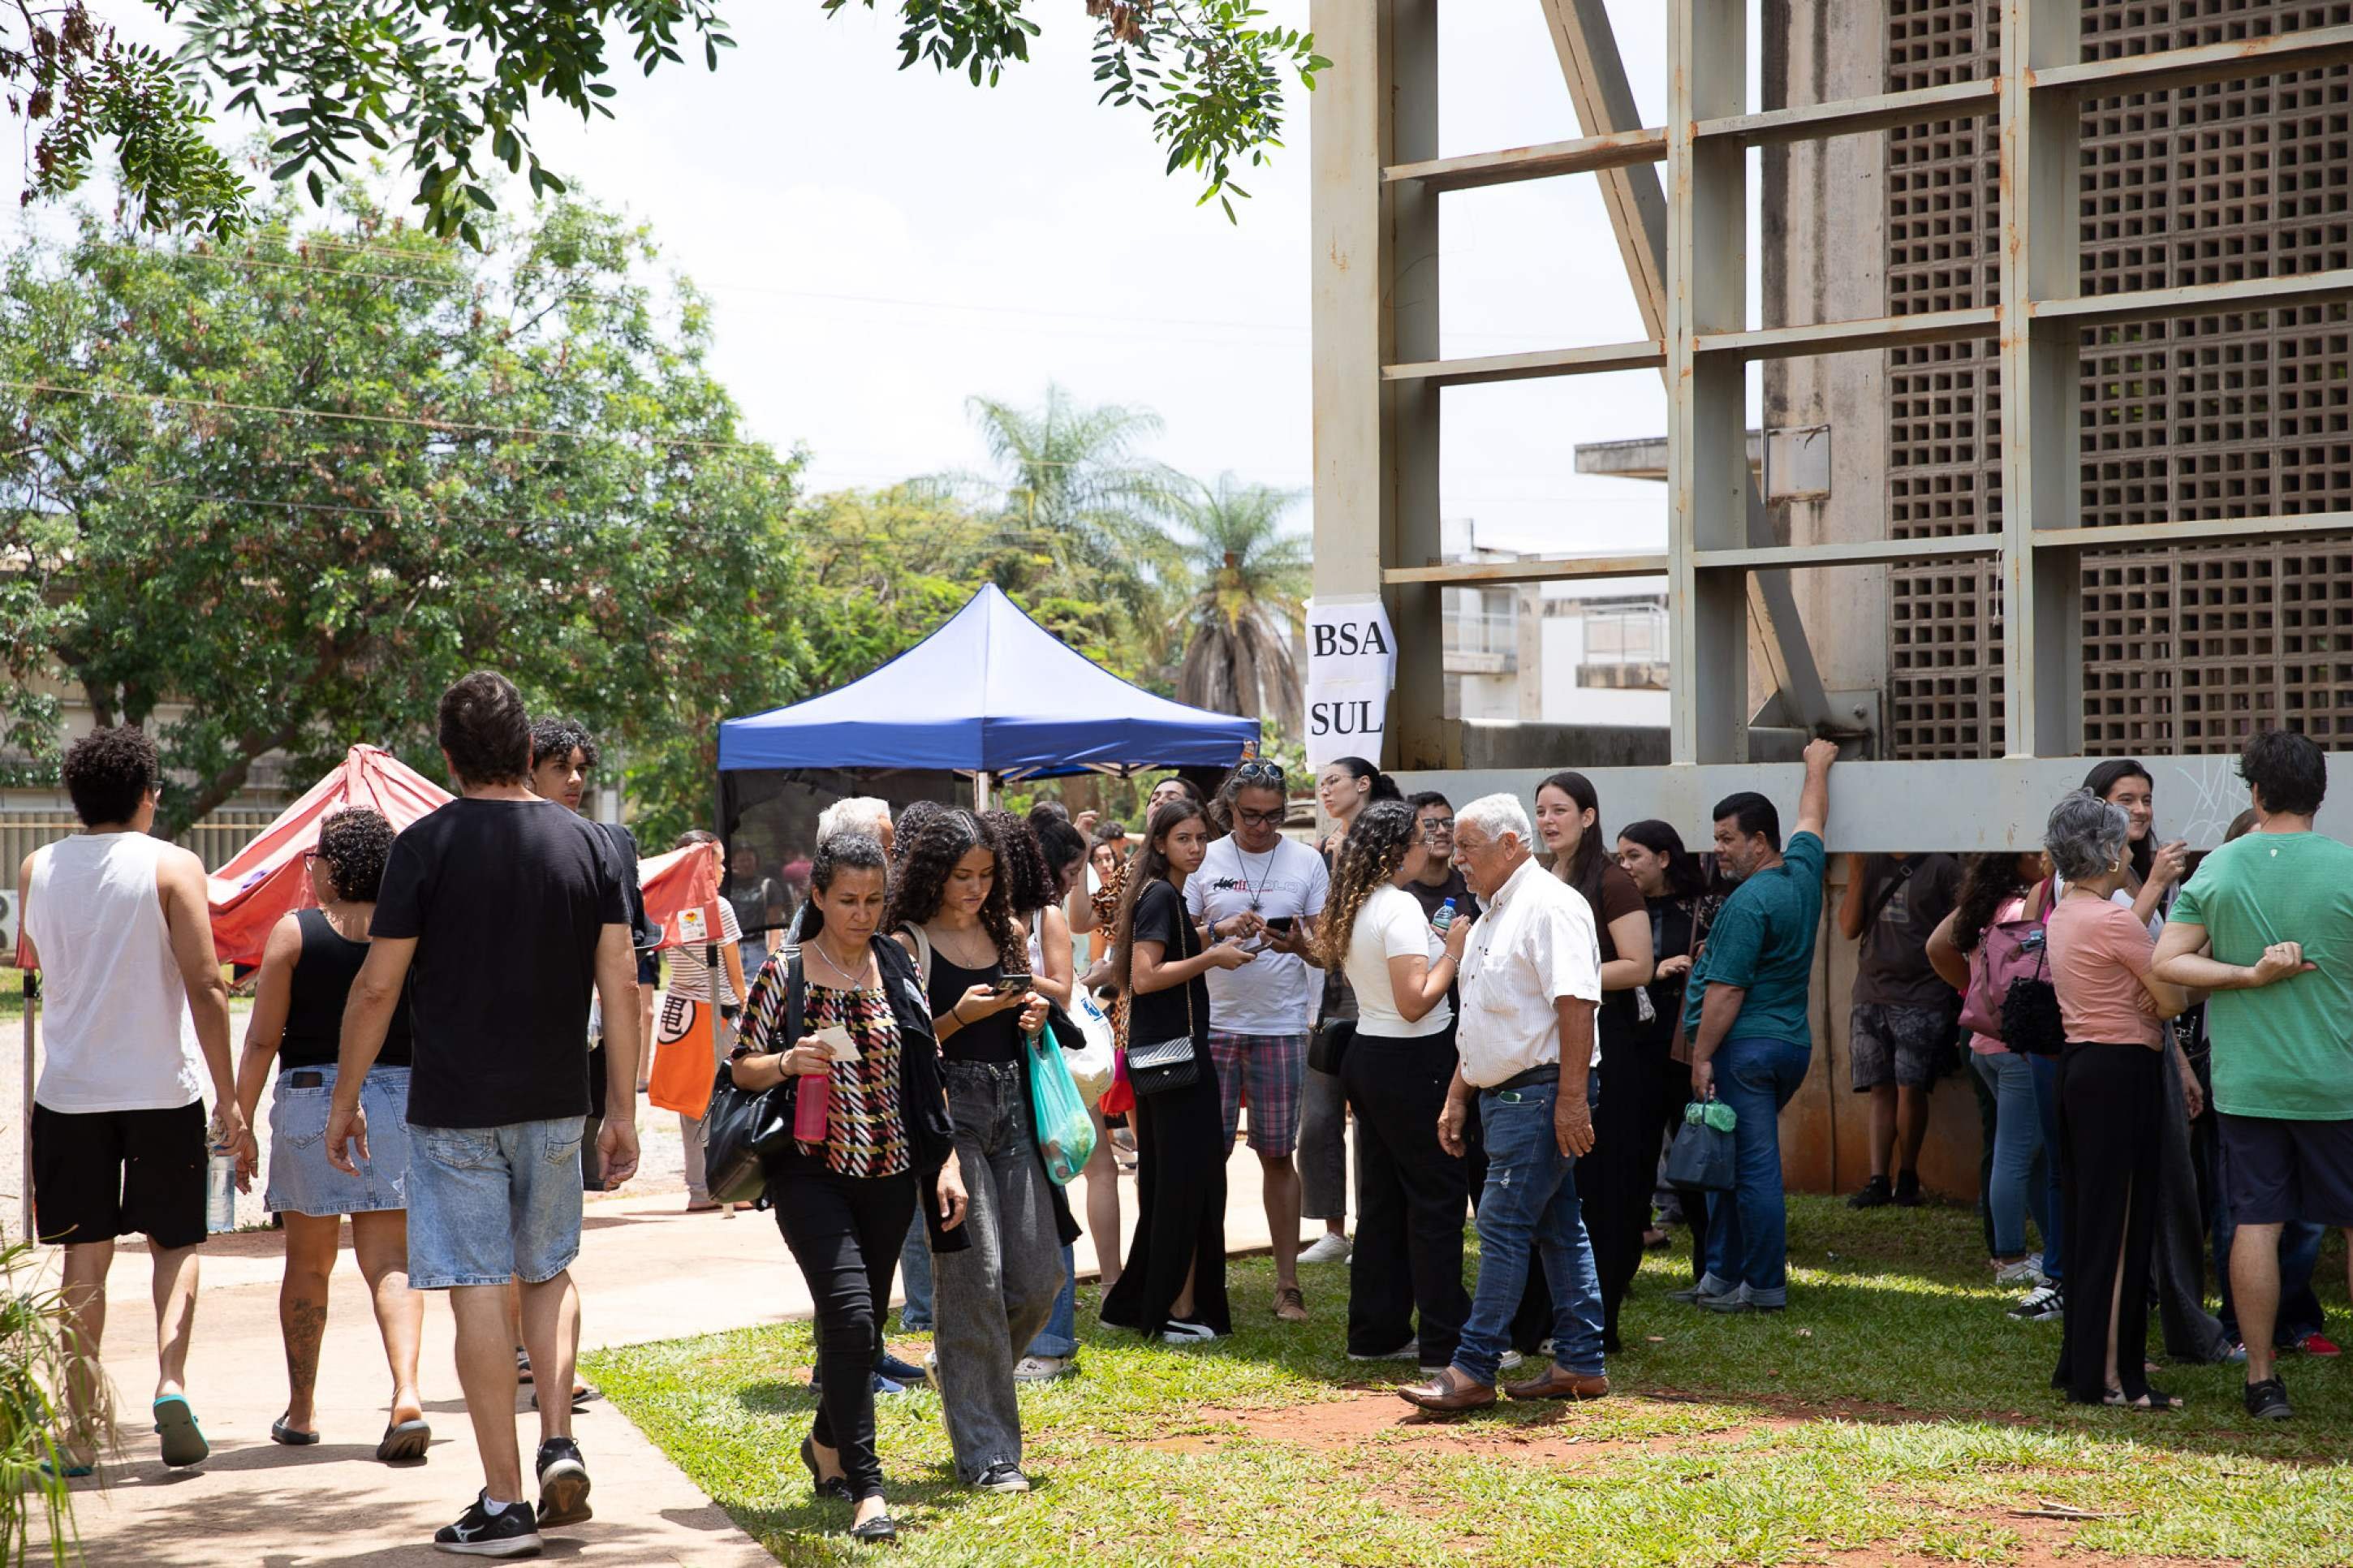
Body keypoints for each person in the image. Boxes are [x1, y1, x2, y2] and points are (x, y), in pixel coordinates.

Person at [328, 671, 641, 1557]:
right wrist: (622, 1107)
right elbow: (621, 982)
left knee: (474, 1287)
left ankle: (504, 1503)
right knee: (547, 1272)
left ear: (451, 754)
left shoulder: (423, 846)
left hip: (454, 1109)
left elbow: (378, 983)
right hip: (556, 1104)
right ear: (522, 747)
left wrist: (345, 1100)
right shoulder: (591, 846)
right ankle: (557, 1441)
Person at [730, 831, 967, 1543]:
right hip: (811, 1171)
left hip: (891, 1171)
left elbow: (926, 1068)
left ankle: (824, 1445)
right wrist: (786, 1061)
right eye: (847, 901)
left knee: (861, 1331)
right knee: (852, 1318)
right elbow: (739, 1067)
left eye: (873, 900)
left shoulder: (896, 961)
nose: (861, 914)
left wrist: (946, 1161)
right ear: (818, 897)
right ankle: (869, 1489)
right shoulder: (787, 969)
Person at [19, 725, 241, 1475]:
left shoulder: (36, 866)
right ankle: (171, 1384)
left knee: (86, 1256)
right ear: (148, 795)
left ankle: (81, 1429)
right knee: (174, 1245)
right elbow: (208, 985)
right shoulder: (174, 867)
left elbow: (40, 961)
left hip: (70, 1092)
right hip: (160, 1088)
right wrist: (231, 1096)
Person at [2152, 727, 2353, 1421]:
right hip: (2338, 1081)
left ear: (2256, 791)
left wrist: (2244, 974)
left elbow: (2167, 964)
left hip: (2249, 1085)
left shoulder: (2221, 869)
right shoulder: (2346, 869)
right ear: (2320, 795)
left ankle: (2261, 1380)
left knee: (2256, 1224)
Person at [230, 807, 429, 1461]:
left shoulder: (295, 933)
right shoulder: (412, 932)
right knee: (392, 1263)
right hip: (399, 1095)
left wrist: (237, 1117)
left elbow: (263, 1038)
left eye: (316, 862)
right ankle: (405, 1395)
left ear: (335, 869)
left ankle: (303, 1410)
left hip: (314, 1099)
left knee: (309, 1264)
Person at [884, 810, 1074, 1493]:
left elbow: (1036, 1003)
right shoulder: (905, 943)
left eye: (986, 875)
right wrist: (961, 1015)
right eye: (961, 876)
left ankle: (962, 1372)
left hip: (1014, 1107)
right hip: (947, 1117)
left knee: (1039, 1279)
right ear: (932, 874)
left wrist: (1032, 1013)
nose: (973, 888)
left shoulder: (1007, 930)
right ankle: (991, 1455)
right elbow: (905, 1050)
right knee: (976, 1281)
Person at [1401, 793, 1606, 1412]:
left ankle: (1472, 1367)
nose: (1454, 856)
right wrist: (1460, 1094)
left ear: (1510, 846)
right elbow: (1491, 1018)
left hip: (1540, 1094)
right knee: (1554, 1224)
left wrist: (1570, 1100)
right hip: (1510, 1094)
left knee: (1502, 1224)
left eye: (1466, 846)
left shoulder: (1549, 906)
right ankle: (1579, 1361)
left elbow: (1577, 1005)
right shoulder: (1492, 912)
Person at [1677, 739, 1839, 1313]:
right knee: (1728, 1158)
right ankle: (1721, 1275)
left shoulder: (1749, 903)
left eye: (1726, 839)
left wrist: (1700, 1056)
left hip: (1744, 1050)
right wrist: (1815, 766)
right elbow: (1811, 816)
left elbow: (1726, 991)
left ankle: (1763, 1286)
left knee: (1752, 1169)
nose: (1716, 849)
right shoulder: (1800, 872)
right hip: (1787, 1044)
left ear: (1758, 842)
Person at [2042, 790, 2191, 1410]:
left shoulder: (2063, 914)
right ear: (2104, 854)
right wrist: (2156, 995)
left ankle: (2086, 1364)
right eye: (2123, 843)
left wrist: (2148, 995)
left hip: (2082, 1066)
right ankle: (2110, 1378)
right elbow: (2174, 998)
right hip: (2118, 1071)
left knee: (2091, 1220)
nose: (2130, 850)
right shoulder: (2111, 919)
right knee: (2122, 1224)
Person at [1318, 800, 1473, 1370]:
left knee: (1383, 1202)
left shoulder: (1356, 903)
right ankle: (1445, 1342)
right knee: (1435, 1200)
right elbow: (1415, 1003)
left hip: (1372, 1054)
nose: (1425, 842)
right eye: (1418, 834)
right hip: (1412, 1058)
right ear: (1395, 849)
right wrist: (1453, 953)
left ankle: (1376, 1332)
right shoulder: (1399, 906)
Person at [1101, 799, 1253, 1346]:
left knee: (1176, 1183)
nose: (1195, 847)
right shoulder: (1161, 894)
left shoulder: (1161, 893)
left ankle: (1149, 1300)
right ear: (1160, 843)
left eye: (1200, 838)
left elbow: (1163, 953)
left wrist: (1213, 933)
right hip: (1176, 1062)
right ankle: (1178, 1305)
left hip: (1170, 1058)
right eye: (1183, 838)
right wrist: (1212, 957)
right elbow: (1144, 977)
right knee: (1188, 1185)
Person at [1186, 760, 1329, 1323]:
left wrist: (1296, 945)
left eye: (1273, 817)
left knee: (1276, 1153)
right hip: (1214, 1025)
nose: (1262, 827)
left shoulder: (1306, 861)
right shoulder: (1205, 856)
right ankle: (1202, 1277)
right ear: (1229, 807)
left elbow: (1327, 950)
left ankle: (1287, 1283)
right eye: (1250, 816)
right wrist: (1220, 930)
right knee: (1206, 1158)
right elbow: (1174, 938)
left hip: (1280, 1025)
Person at [1533, 773, 1654, 1353]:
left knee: (1604, 1184)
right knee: (1554, 1185)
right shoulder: (1534, 876)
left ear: (1587, 816)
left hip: (1608, 1042)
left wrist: (1565, 983)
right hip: (1547, 1044)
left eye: (1560, 810)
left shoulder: (1609, 879)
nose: (1548, 821)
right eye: (1540, 811)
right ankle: (1543, 1319)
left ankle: (1595, 1325)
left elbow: (1637, 965)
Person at [982, 808, 1085, 1381]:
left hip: (1033, 1066)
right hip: (988, 1070)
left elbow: (1063, 989)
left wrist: (1009, 978)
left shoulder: (1041, 916)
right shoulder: (977, 917)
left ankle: (1051, 1342)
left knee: (1049, 1207)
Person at [1924, 853, 2054, 1293]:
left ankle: (2047, 1249)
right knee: (2016, 1154)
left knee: (2026, 1154)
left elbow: (1938, 945)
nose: (2044, 857)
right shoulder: (2022, 909)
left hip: (1985, 1046)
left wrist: (1970, 991)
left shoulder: (1988, 906)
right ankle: (2010, 1258)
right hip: (2014, 1051)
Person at [1301, 755, 1399, 1265]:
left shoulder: (1387, 844)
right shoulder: (1321, 849)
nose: (1324, 790)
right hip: (1331, 990)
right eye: (1320, 784)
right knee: (1318, 1118)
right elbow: (1326, 935)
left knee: (1371, 1117)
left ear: (1364, 785)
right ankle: (1332, 1230)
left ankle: (1372, 1227)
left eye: (1332, 781)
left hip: (1378, 993)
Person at [1838, 848, 1964, 1209]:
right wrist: (1857, 871)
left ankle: (1907, 1176)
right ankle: (1878, 1179)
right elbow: (1848, 928)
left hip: (1923, 993)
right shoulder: (1870, 861)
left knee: (1911, 1087)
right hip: (1871, 990)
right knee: (1879, 1086)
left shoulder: (1943, 867)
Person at [658, 831, 750, 1213]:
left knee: (691, 1104)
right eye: (719, 861)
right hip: (716, 1013)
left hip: (680, 1009)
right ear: (701, 864)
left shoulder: (667, 907)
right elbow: (733, 973)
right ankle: (725, 1186)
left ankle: (698, 1189)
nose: (724, 869)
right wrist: (747, 1008)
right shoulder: (718, 907)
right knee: (728, 1099)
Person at [1404, 792, 1472, 920]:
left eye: (1448, 823)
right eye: (1430, 824)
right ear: (1411, 833)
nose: (1442, 831)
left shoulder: (1470, 885)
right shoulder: (1398, 891)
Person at [728, 844, 787, 967]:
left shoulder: (767, 885)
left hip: (759, 949)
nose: (746, 864)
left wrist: (772, 955)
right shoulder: (726, 887)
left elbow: (775, 923)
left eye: (749, 859)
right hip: (732, 949)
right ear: (734, 863)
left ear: (756, 861)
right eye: (741, 860)